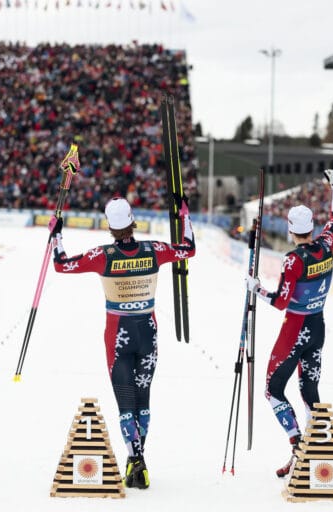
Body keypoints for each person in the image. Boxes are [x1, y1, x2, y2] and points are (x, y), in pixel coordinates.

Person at [50, 196, 195, 490]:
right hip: (148, 334)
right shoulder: (154, 249)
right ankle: (137, 461)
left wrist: (56, 235)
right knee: (143, 401)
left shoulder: (102, 255)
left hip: (118, 337)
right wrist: (184, 216)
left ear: (110, 226)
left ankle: (135, 458)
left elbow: (61, 265)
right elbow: (188, 249)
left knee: (126, 405)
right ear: (132, 221)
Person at [246, 169, 333, 478]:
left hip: (295, 330)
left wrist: (256, 288)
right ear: (311, 227)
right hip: (317, 328)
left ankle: (298, 444)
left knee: (273, 391)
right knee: (309, 392)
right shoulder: (326, 244)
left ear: (290, 229)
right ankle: (309, 452)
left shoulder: (293, 260)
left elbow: (280, 302)